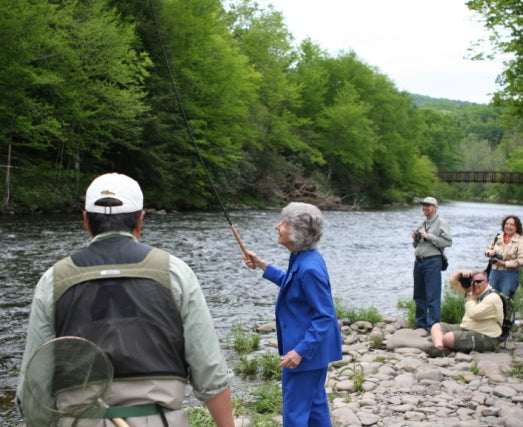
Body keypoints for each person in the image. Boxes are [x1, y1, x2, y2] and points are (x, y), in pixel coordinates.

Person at [16, 173, 234, 427]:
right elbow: (210, 371)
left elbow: (34, 388)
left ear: (86, 221)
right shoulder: (175, 272)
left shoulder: (53, 280)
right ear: (140, 220)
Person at [242, 202, 342, 427]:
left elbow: (325, 315)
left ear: (298, 232)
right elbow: (292, 284)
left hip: (305, 354)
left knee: (295, 415)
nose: (278, 226)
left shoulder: (309, 267)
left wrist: (299, 352)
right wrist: (262, 265)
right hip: (314, 353)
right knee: (315, 409)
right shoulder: (305, 258)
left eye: (284, 223)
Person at [426, 269, 503, 357]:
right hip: (468, 328)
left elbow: (474, 314)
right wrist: (460, 273)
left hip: (485, 335)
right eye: (473, 281)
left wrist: (469, 295)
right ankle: (439, 349)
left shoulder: (492, 297)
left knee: (448, 337)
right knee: (437, 327)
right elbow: (453, 282)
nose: (475, 284)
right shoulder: (474, 291)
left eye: (479, 281)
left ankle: (444, 344)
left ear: (487, 281)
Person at [411, 196, 452, 332]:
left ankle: (432, 326)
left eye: (428, 205)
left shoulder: (441, 223)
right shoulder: (422, 224)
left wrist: (429, 236)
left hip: (433, 261)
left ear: (435, 208)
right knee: (419, 294)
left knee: (432, 295)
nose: (425, 208)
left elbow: (448, 242)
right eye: (424, 205)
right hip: (419, 261)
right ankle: (420, 322)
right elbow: (416, 245)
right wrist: (415, 239)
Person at [485, 215, 523, 299]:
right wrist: (490, 252)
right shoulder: (497, 237)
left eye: (512, 225)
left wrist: (504, 263)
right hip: (494, 272)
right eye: (507, 224)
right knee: (491, 298)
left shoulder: (521, 241)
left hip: (510, 275)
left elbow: (521, 260)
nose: (508, 226)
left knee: (506, 300)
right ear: (503, 225)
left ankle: (507, 312)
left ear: (517, 227)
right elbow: (487, 250)